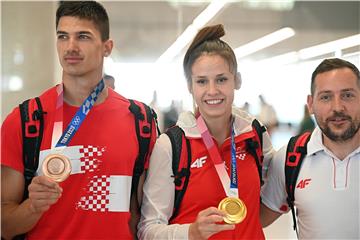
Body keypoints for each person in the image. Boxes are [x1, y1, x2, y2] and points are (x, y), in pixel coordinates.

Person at [1, 2, 157, 239]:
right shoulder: (25, 121)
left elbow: (143, 217)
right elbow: (4, 225)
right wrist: (32, 207)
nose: (70, 47)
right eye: (63, 37)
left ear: (107, 47)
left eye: (83, 36)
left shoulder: (140, 122)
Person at [138, 24, 274, 239]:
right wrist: (190, 232)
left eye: (221, 79)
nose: (212, 91)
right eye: (202, 81)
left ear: (237, 80)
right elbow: (148, 230)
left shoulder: (254, 134)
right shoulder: (172, 145)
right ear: (190, 86)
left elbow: (275, 197)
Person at [261, 58, 360, 239]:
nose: (337, 107)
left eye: (347, 95)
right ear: (311, 104)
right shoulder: (290, 158)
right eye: (326, 97)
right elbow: (257, 219)